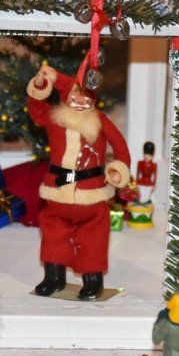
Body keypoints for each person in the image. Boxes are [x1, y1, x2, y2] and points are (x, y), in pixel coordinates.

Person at [27, 64, 131, 300]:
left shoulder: (100, 121)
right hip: (57, 194)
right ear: (65, 98)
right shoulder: (55, 119)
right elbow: (36, 108)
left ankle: (93, 281)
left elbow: (120, 145)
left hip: (91, 195)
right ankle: (54, 277)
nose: (81, 102)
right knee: (54, 236)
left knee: (93, 239)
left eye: (87, 97)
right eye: (75, 96)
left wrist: (119, 168)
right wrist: (41, 85)